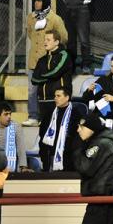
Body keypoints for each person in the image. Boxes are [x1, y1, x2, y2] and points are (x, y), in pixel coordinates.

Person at [24, 0, 68, 126]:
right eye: (35, 1)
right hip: (34, 60)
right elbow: (30, 34)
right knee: (32, 90)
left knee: (49, 90)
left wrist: (51, 49)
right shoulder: (31, 18)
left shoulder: (54, 19)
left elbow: (63, 37)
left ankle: (50, 116)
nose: (36, 4)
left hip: (48, 61)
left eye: (39, 1)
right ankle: (33, 116)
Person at [32, 29, 73, 160]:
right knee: (43, 134)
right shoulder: (42, 60)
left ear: (57, 42)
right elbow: (34, 79)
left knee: (58, 134)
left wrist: (43, 76)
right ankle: (45, 165)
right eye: (45, 39)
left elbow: (55, 72)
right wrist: (46, 77)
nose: (45, 42)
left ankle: (60, 164)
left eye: (48, 40)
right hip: (43, 102)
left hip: (57, 102)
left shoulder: (64, 55)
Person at [40, 86, 87, 172]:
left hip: (69, 157)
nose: (55, 98)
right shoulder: (49, 113)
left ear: (67, 97)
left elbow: (78, 138)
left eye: (58, 96)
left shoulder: (75, 114)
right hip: (50, 155)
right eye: (55, 96)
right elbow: (42, 134)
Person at [0, 101, 30, 173]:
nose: (9, 117)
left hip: (11, 168)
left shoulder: (16, 127)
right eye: (6, 114)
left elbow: (21, 148)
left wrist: (23, 167)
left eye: (10, 114)